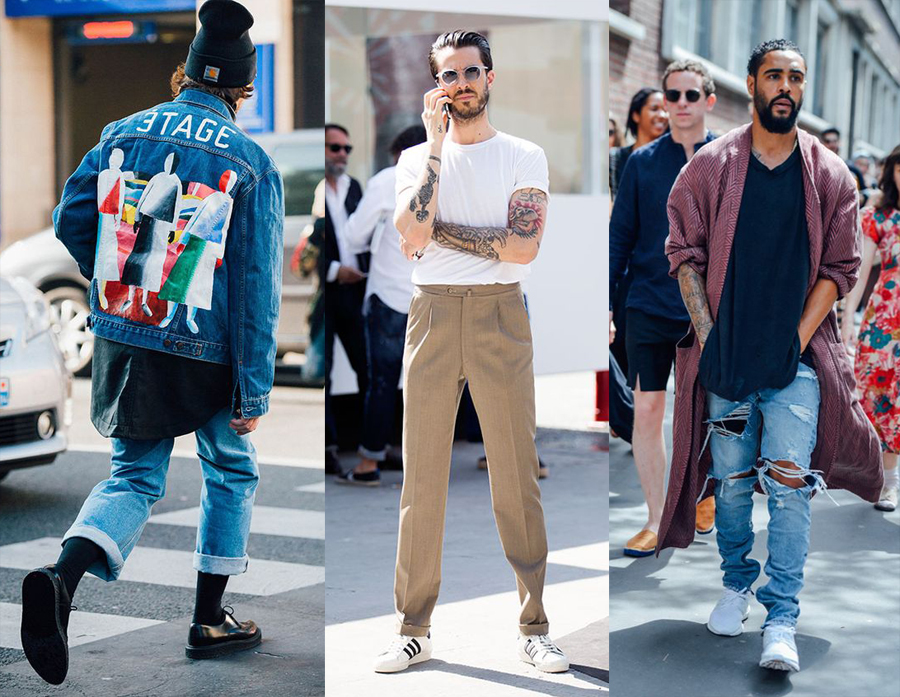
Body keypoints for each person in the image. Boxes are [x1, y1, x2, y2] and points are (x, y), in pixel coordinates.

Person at [19, 0, 284, 685]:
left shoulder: (119, 133)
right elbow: (254, 282)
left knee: (133, 474)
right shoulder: (250, 160)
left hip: (127, 333)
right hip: (208, 346)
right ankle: (209, 616)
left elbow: (69, 219)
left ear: (185, 74)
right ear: (242, 88)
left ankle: (62, 576)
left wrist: (124, 280)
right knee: (231, 468)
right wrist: (253, 386)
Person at [664, 39, 883, 674]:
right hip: (728, 360)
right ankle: (736, 585)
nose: (786, 86)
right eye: (774, 76)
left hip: (798, 365)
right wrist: (710, 339)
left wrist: (794, 339)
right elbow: (684, 254)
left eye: (796, 77)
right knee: (732, 488)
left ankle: (781, 616)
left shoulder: (831, 174)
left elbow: (840, 269)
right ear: (754, 84)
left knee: (790, 488)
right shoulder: (712, 165)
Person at [373, 30, 568, 674]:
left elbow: (521, 248)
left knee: (515, 476)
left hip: (500, 314)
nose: (460, 84)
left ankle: (534, 625)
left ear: (491, 76)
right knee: (421, 480)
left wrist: (442, 234)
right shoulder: (413, 160)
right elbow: (410, 238)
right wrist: (432, 150)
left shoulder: (523, 155)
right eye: (447, 75)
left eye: (470, 71)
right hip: (430, 314)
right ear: (436, 86)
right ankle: (413, 626)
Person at [608, 61, 717, 558]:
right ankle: (656, 517)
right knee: (649, 409)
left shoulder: (729, 159)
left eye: (691, 94)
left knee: (710, 411)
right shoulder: (642, 161)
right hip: (649, 303)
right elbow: (620, 239)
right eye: (672, 94)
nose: (680, 103)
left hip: (712, 311)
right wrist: (604, 306)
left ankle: (704, 495)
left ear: (708, 100)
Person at [335, 125, 427, 486]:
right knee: (431, 384)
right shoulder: (449, 177)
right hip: (434, 295)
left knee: (382, 382)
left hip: (389, 294)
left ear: (399, 152)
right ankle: (423, 464)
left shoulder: (388, 179)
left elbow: (354, 234)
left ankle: (368, 464)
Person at [841, 144, 900, 511]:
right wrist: (847, 318)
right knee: (884, 398)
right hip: (885, 320)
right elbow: (859, 272)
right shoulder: (879, 216)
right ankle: (888, 482)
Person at [321, 123, 368, 473]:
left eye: (346, 148)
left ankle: (371, 446)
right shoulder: (318, 191)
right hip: (328, 291)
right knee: (327, 373)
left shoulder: (355, 188)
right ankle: (329, 450)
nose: (341, 155)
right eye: (335, 147)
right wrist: (335, 270)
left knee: (367, 366)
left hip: (357, 291)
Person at [609, 87, 668, 201]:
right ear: (636, 115)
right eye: (654, 108)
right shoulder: (614, 159)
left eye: (666, 110)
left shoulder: (671, 161)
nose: (662, 115)